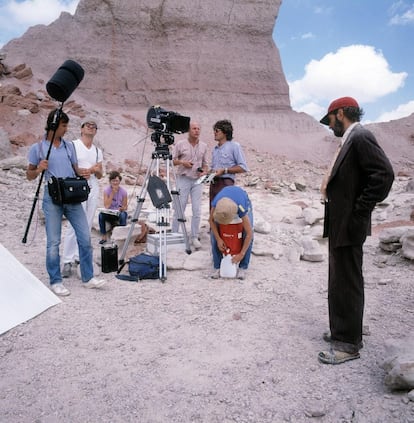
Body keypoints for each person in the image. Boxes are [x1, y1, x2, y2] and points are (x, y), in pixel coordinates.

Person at [318, 97, 394, 365]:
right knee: (342, 279)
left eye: (329, 120)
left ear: (340, 114)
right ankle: (344, 330)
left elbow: (384, 175)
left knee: (346, 281)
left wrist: (360, 211)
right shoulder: (350, 139)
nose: (329, 126)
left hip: (349, 223)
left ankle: (348, 344)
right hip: (341, 222)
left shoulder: (360, 136)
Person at [26, 109, 106, 296]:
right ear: (53, 126)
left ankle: (88, 277)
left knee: (84, 237)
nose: (66, 129)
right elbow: (29, 175)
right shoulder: (38, 148)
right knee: (53, 242)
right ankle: (56, 281)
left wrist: (84, 172)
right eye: (63, 126)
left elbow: (74, 168)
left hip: (71, 196)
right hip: (52, 198)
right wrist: (39, 169)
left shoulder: (68, 146)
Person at [61, 118, 103, 278]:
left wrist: (93, 171)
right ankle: (67, 259)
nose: (91, 127)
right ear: (81, 129)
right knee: (74, 223)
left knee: (87, 223)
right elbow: (68, 165)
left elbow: (100, 173)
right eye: (88, 125)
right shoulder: (73, 146)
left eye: (94, 126)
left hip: (92, 187)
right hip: (76, 187)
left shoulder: (98, 151)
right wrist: (83, 170)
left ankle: (80, 256)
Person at [171, 121, 209, 249]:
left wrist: (204, 170)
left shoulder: (204, 146)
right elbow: (172, 160)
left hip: (197, 180)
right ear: (189, 130)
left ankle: (194, 236)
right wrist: (183, 162)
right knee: (179, 207)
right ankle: (174, 234)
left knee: (197, 209)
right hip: (184, 178)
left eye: (198, 128)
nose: (196, 131)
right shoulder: (180, 144)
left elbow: (205, 163)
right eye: (194, 128)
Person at [209, 185, 253, 280]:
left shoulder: (241, 208)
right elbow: (211, 221)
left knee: (246, 234)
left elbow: (250, 233)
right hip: (225, 201)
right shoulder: (216, 203)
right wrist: (219, 239)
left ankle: (243, 267)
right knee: (213, 235)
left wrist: (241, 254)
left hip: (241, 200)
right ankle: (217, 266)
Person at [209, 119, 248, 207]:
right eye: (214, 130)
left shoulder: (234, 146)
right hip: (213, 184)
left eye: (217, 130)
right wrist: (208, 173)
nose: (214, 133)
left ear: (225, 132)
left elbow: (243, 167)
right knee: (213, 212)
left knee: (225, 212)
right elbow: (214, 168)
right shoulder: (215, 149)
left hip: (226, 183)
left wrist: (225, 170)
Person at [98, 170, 128, 244]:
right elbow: (107, 206)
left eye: (116, 181)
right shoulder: (106, 191)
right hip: (110, 212)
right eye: (113, 181)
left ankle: (121, 236)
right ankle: (104, 236)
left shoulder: (123, 191)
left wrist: (122, 208)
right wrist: (112, 193)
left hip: (118, 212)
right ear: (110, 181)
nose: (115, 183)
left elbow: (125, 206)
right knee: (101, 215)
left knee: (123, 215)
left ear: (119, 181)